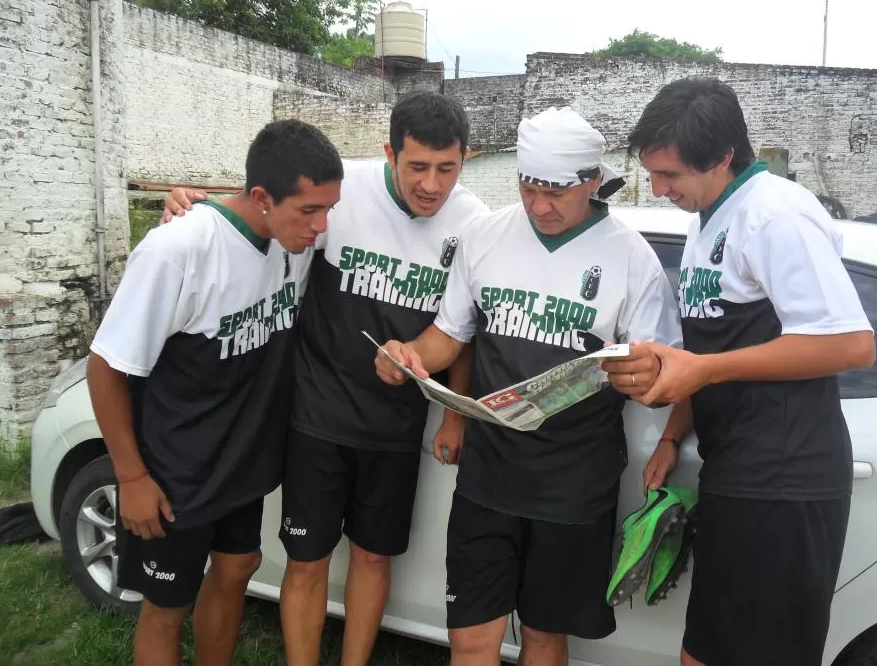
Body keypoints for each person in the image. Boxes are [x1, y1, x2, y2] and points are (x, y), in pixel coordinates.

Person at [161, 90, 489, 666]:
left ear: (468, 157)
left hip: (396, 426)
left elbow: (460, 329)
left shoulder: (475, 224)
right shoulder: (344, 193)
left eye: (447, 168)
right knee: (306, 561)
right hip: (315, 415)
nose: (431, 184)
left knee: (372, 558)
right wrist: (198, 203)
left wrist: (456, 412)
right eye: (417, 166)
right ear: (390, 154)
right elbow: (271, 205)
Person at [373, 106, 684, 666]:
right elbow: (449, 334)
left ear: (593, 181)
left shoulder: (630, 257)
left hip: (575, 486)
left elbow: (661, 371)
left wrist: (643, 375)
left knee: (543, 636)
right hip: (488, 480)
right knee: (470, 639)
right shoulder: (485, 235)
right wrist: (410, 355)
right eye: (529, 186)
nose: (540, 205)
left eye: (558, 192)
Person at [603, 76, 876, 666]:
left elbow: (851, 344)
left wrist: (702, 371)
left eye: (671, 175)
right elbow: (712, 344)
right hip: (738, 470)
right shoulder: (713, 215)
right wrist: (675, 432)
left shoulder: (775, 214)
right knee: (704, 652)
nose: (658, 188)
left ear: (724, 156)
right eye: (652, 172)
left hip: (784, 477)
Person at [87, 119, 343, 666]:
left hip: (242, 458)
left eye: (328, 210)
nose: (321, 227)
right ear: (261, 197)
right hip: (176, 468)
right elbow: (106, 366)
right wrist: (131, 477)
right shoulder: (178, 249)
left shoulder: (289, 241)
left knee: (236, 571)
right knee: (165, 606)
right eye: (310, 211)